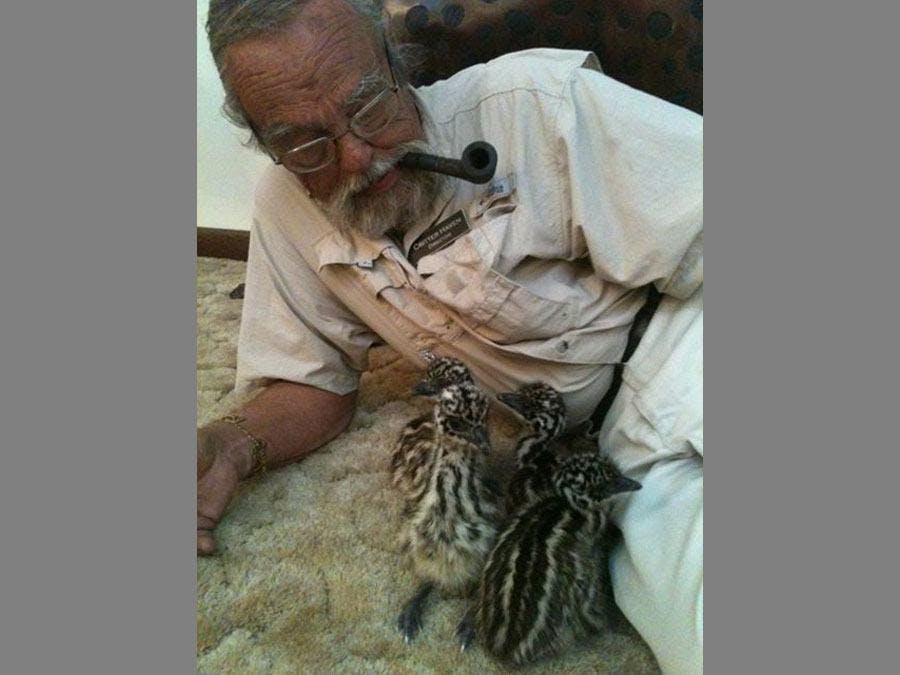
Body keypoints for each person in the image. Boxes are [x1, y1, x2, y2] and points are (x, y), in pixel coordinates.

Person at [199, 1, 702, 673]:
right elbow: (308, 383)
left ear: (397, 61)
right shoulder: (284, 204)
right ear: (265, 144)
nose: (357, 157)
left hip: (678, 341)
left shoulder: (535, 104)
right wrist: (228, 445)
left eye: (369, 106)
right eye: (304, 143)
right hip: (592, 453)